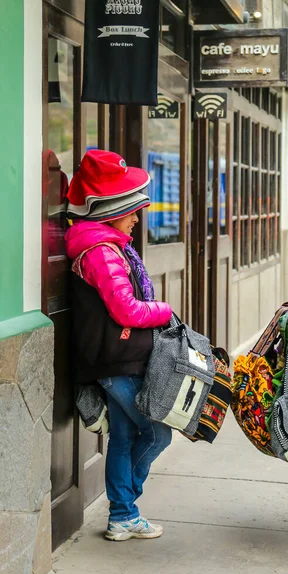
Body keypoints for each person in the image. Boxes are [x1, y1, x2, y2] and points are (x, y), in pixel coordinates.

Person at [65, 149, 173, 542]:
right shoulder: (101, 252)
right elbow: (127, 309)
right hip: (117, 363)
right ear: (112, 210)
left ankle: (122, 516)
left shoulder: (106, 247)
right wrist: (165, 310)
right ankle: (126, 507)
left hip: (118, 360)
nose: (136, 217)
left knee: (126, 437)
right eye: (131, 210)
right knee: (159, 433)